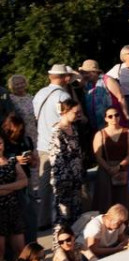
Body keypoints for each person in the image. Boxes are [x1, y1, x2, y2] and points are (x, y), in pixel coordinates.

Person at [33, 64, 73, 230]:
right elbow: (67, 119)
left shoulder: (39, 93)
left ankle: (42, 220)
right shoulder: (63, 95)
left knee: (44, 185)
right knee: (62, 183)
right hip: (58, 145)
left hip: (42, 143)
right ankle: (62, 217)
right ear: (65, 78)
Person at [48, 98, 84, 232]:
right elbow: (57, 159)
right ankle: (59, 245)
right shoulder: (57, 131)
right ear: (65, 112)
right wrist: (67, 177)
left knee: (76, 213)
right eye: (76, 112)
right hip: (63, 180)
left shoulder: (73, 128)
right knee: (62, 215)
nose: (78, 114)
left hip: (75, 177)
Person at [91, 104, 129, 214]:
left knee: (123, 199)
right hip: (105, 169)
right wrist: (108, 168)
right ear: (105, 118)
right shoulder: (100, 134)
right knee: (105, 199)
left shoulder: (128, 132)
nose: (114, 118)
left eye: (116, 115)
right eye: (110, 116)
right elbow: (98, 156)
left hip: (123, 168)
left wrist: (119, 167)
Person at [0, 131, 28, 260]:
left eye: (0, 143)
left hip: (13, 210)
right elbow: (18, 183)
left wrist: (4, 187)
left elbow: (24, 181)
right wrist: (14, 186)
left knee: (20, 251)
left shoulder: (11, 161)